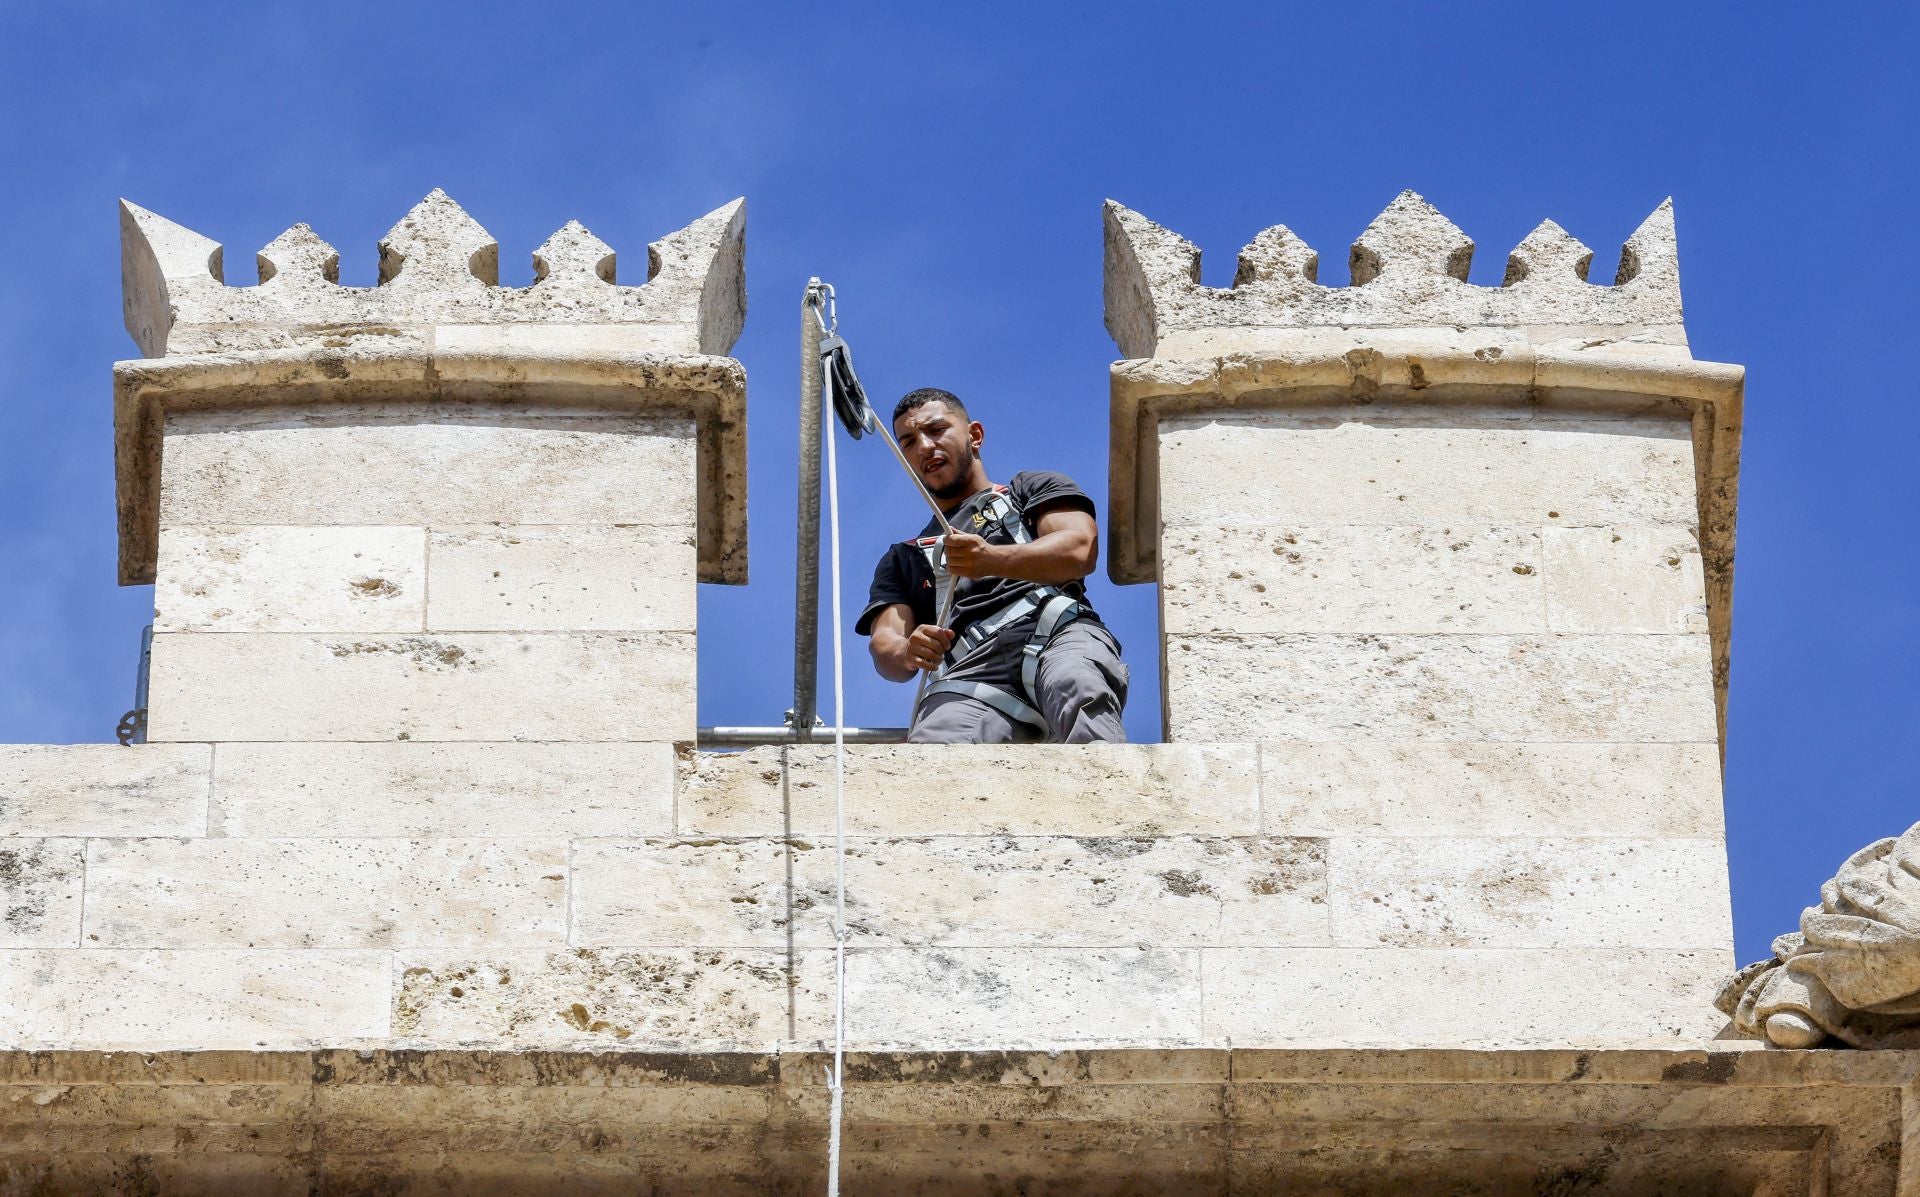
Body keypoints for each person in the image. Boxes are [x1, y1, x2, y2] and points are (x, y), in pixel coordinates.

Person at [855, 387, 1128, 743]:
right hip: (971, 672)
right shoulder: (904, 557)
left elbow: (1079, 550)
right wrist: (907, 651)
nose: (923, 446)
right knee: (936, 752)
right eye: (908, 441)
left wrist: (989, 559)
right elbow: (885, 641)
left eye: (936, 430)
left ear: (975, 435)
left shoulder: (1029, 490)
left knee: (1076, 685)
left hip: (1058, 633)